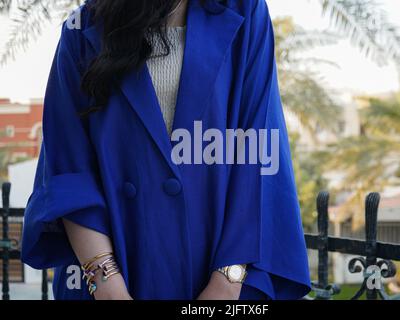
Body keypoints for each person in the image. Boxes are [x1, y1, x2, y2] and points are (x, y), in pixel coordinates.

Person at [21, 0, 311, 300]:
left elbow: (258, 149)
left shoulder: (244, 9)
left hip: (225, 279)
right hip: (110, 276)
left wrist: (226, 282)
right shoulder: (83, 28)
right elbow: (69, 167)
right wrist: (107, 284)